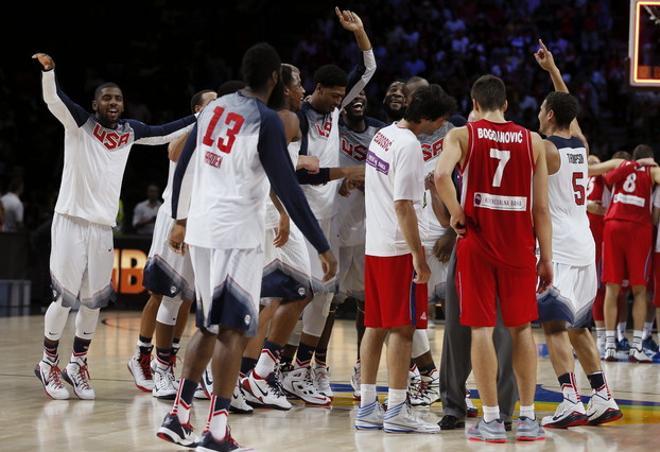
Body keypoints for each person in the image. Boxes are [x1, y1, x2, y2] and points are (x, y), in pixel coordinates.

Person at [157, 43, 336, 450]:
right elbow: (287, 187)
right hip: (236, 233)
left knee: (207, 324)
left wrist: (179, 219)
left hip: (202, 228)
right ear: (274, 79)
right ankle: (217, 430)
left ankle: (179, 415)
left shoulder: (216, 108)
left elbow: (183, 164)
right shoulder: (267, 120)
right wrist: (321, 244)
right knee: (232, 331)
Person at [32, 52, 196, 401]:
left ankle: (77, 363)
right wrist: (50, 72)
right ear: (94, 103)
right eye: (107, 97)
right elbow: (53, 99)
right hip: (71, 220)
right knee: (64, 297)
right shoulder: (79, 123)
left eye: (118, 98)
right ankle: (47, 362)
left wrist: (200, 118)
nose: (113, 102)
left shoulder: (129, 132)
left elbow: (163, 132)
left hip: (103, 227)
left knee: (94, 301)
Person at [435, 74, 551, 442]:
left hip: (478, 245)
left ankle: (491, 421)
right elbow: (542, 209)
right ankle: (529, 418)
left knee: (481, 331)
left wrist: (456, 212)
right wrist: (546, 258)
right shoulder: (532, 141)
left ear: (473, 103)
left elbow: (440, 176)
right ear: (506, 105)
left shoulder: (463, 135)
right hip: (519, 246)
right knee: (520, 331)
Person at [281, 7, 376, 405]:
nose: (341, 101)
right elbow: (302, 174)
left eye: (343, 97)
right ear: (315, 89)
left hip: (329, 218)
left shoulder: (334, 110)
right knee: (293, 294)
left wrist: (360, 32)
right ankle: (275, 368)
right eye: (334, 96)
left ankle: (303, 366)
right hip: (301, 215)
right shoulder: (298, 119)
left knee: (323, 293)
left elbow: (368, 68)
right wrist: (348, 173)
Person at [533, 40, 622, 427]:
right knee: (580, 326)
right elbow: (568, 110)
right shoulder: (581, 147)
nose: (537, 115)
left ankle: (570, 398)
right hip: (586, 246)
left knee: (553, 325)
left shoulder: (544, 149)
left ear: (549, 115)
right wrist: (553, 70)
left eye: (540, 110)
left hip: (561, 249)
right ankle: (602, 396)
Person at [354, 85, 447, 434]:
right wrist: (417, 257)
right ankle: (395, 409)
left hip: (375, 244)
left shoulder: (384, 134)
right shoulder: (409, 147)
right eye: (438, 120)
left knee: (375, 326)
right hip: (397, 249)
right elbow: (403, 206)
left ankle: (366, 407)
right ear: (426, 117)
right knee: (404, 329)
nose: (440, 126)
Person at [127, 90, 217, 402]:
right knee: (164, 293)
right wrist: (199, 123)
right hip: (176, 216)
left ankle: (169, 359)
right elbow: (174, 152)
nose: (216, 105)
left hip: (201, 222)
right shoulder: (188, 129)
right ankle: (147, 358)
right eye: (210, 101)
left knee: (187, 297)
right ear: (197, 108)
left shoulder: (222, 135)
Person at [333, 90, 385, 400]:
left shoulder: (380, 133)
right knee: (327, 301)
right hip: (336, 221)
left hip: (368, 224)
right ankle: (315, 365)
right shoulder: (332, 130)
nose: (360, 96)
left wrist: (370, 182)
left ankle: (360, 366)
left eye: (365, 93)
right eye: (354, 92)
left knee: (367, 303)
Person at [602, 143, 660, 362]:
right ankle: (636, 347)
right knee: (639, 290)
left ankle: (609, 346)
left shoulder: (620, 163)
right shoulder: (652, 170)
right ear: (650, 158)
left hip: (613, 225)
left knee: (612, 287)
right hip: (638, 229)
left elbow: (594, 172)